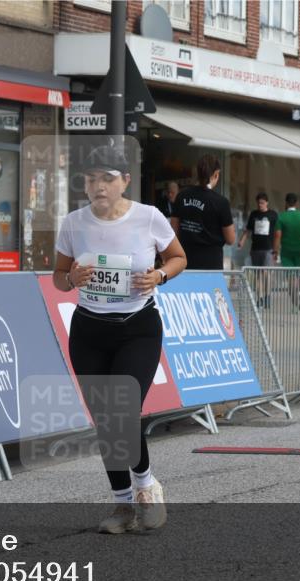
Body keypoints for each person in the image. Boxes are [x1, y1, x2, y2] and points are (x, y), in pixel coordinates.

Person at [53, 145, 187, 534]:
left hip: (138, 327)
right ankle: (122, 505)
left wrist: (159, 276)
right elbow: (58, 277)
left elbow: (179, 257)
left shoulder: (148, 218)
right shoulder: (74, 223)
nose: (98, 186)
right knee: (105, 421)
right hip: (90, 330)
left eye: (107, 178)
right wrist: (72, 279)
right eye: (91, 178)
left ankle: (146, 487)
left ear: (125, 181)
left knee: (123, 412)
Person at [170, 155, 235, 269]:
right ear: (215, 174)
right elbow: (231, 239)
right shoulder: (221, 202)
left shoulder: (182, 196)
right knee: (210, 287)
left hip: (184, 261)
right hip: (211, 264)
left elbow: (173, 231)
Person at [274, 193, 300, 310]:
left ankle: (295, 301)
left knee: (291, 278)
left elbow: (277, 236)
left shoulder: (281, 217)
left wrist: (275, 251)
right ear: (296, 203)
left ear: (286, 203)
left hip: (287, 253)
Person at [239, 193, 278, 307]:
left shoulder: (273, 215)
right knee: (258, 274)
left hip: (268, 248)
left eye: (262, 203)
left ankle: (267, 296)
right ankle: (260, 298)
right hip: (256, 248)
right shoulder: (254, 214)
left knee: (266, 273)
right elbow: (248, 230)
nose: (260, 205)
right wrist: (242, 241)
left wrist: (276, 249)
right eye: (258, 203)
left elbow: (277, 233)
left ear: (267, 203)